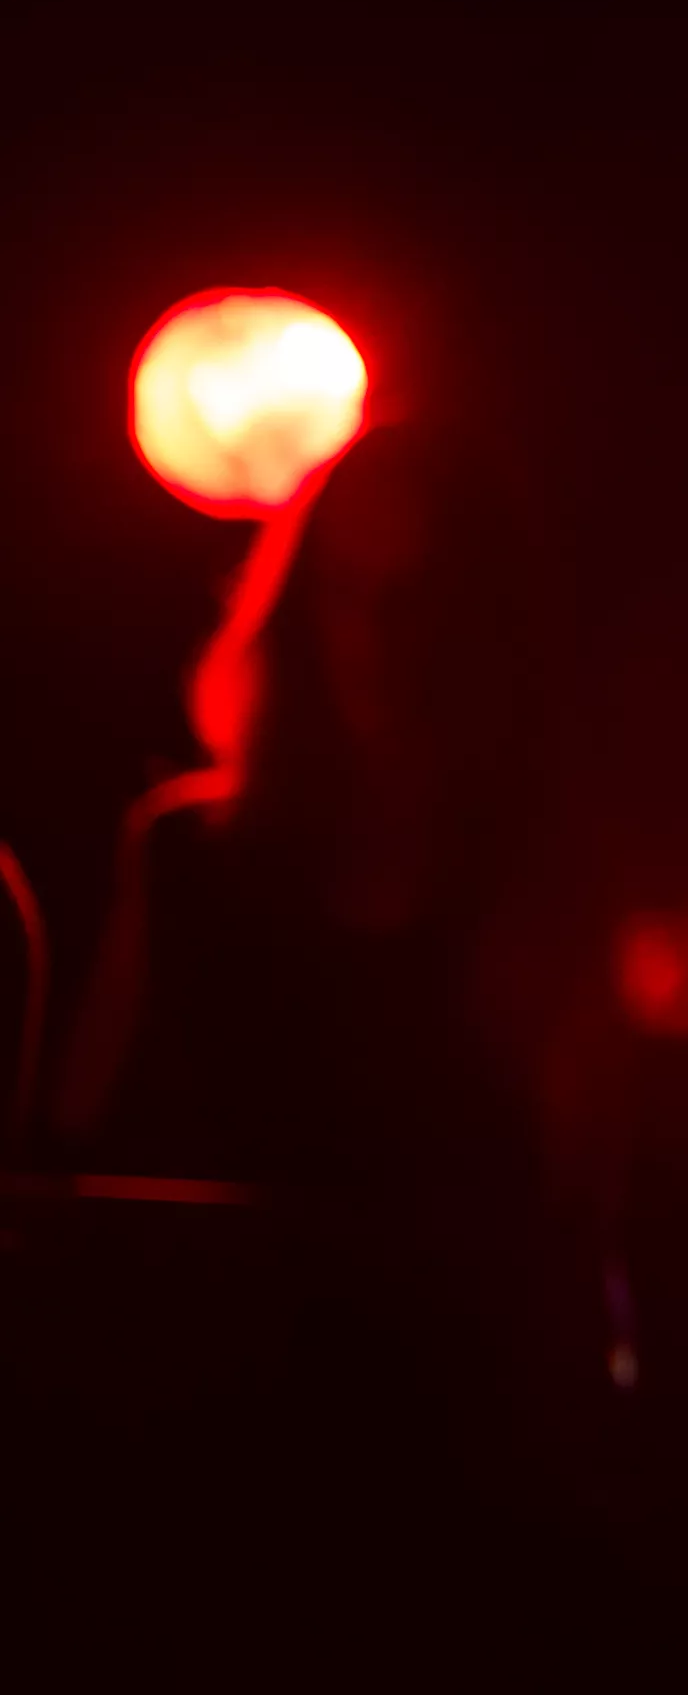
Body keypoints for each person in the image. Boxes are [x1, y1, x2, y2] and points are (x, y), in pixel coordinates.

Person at [39, 423, 621, 1673]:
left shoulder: (553, 875)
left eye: (421, 598)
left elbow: (585, 1219)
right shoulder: (186, 858)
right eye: (349, 593)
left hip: (465, 1489)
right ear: (299, 608)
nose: (378, 639)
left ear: (485, 623)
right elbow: (86, 1184)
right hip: (204, 1467)